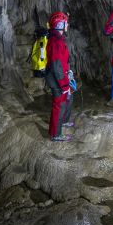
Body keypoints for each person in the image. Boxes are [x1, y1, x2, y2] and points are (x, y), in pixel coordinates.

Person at [44, 11, 75, 142]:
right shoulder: (55, 41)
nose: (67, 24)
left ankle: (63, 121)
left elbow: (63, 62)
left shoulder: (59, 39)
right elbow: (57, 66)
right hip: (57, 80)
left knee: (68, 98)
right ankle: (55, 134)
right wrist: (64, 84)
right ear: (59, 24)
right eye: (65, 22)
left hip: (62, 76)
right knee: (59, 105)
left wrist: (69, 73)